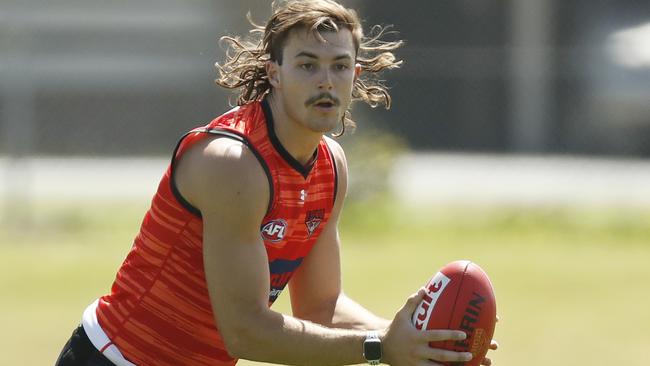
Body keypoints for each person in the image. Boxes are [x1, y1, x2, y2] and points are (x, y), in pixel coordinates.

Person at [56, 1, 496, 365]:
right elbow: (245, 333)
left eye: (339, 66)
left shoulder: (330, 165)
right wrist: (382, 348)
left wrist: (418, 341)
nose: (325, 81)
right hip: (113, 359)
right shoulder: (233, 163)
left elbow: (322, 308)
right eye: (307, 65)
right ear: (274, 73)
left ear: (355, 78)